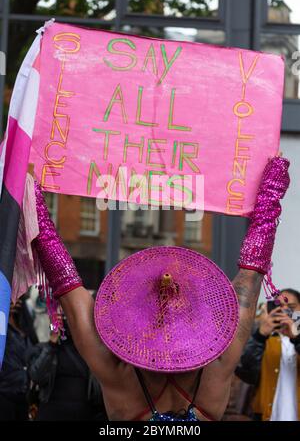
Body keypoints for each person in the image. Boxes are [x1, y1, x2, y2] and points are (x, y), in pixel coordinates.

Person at [31, 156, 290, 421]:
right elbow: (252, 273)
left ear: (137, 316)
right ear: (196, 316)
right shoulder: (220, 365)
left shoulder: (117, 372)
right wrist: (270, 193)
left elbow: (67, 285)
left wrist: (31, 199)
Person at [236, 289, 300, 421]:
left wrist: (297, 338)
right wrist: (260, 335)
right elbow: (245, 373)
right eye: (279, 306)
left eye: (291, 307)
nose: (285, 311)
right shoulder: (261, 337)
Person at [28, 313, 106, 421]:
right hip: (51, 413)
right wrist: (52, 343)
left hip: (83, 414)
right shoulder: (45, 349)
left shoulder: (89, 351)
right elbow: (36, 376)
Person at [0, 298, 37, 421]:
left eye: (18, 298)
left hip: (24, 396)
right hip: (4, 394)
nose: (14, 302)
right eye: (9, 298)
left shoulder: (25, 327)